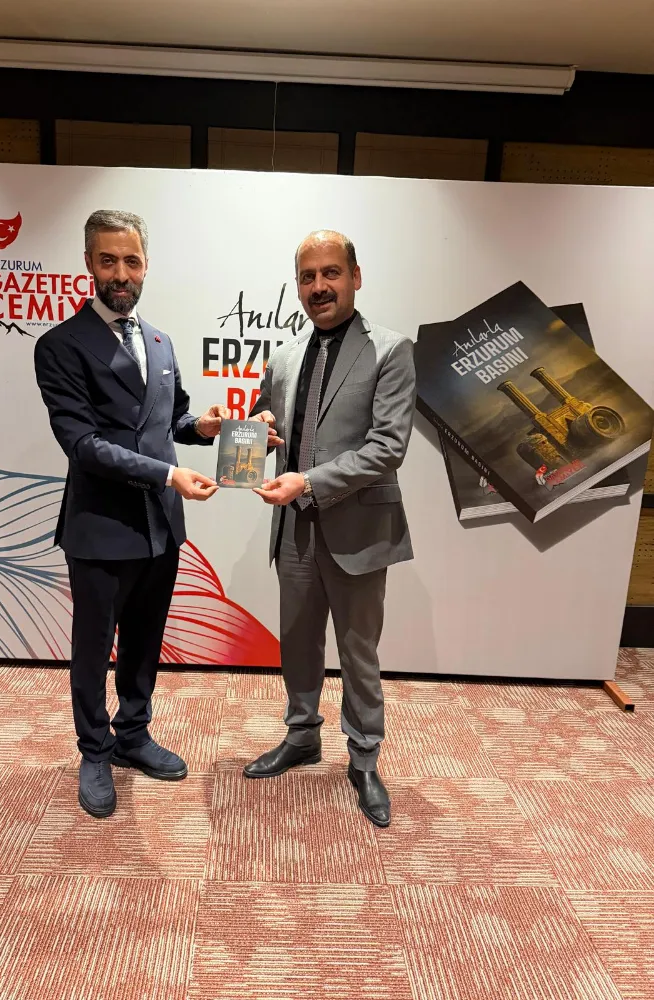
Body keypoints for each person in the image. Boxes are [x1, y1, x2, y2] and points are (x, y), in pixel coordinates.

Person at [34, 209, 225, 819]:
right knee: (94, 648)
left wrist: (202, 427)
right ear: (89, 264)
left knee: (145, 640)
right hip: (101, 526)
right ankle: (95, 750)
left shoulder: (161, 342)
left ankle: (133, 734)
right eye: (109, 260)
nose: (121, 273)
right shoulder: (60, 346)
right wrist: (169, 474)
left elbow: (170, 421)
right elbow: (83, 445)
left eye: (132, 261)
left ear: (146, 266)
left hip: (159, 526)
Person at [247, 229, 416, 827]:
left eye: (330, 273)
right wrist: (261, 428)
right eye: (308, 277)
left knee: (358, 651)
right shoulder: (285, 355)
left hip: (358, 531)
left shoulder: (391, 350)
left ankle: (364, 758)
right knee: (297, 641)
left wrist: (309, 481)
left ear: (355, 277)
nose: (319, 286)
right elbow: (271, 422)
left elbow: (387, 448)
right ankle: (302, 736)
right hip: (294, 529)